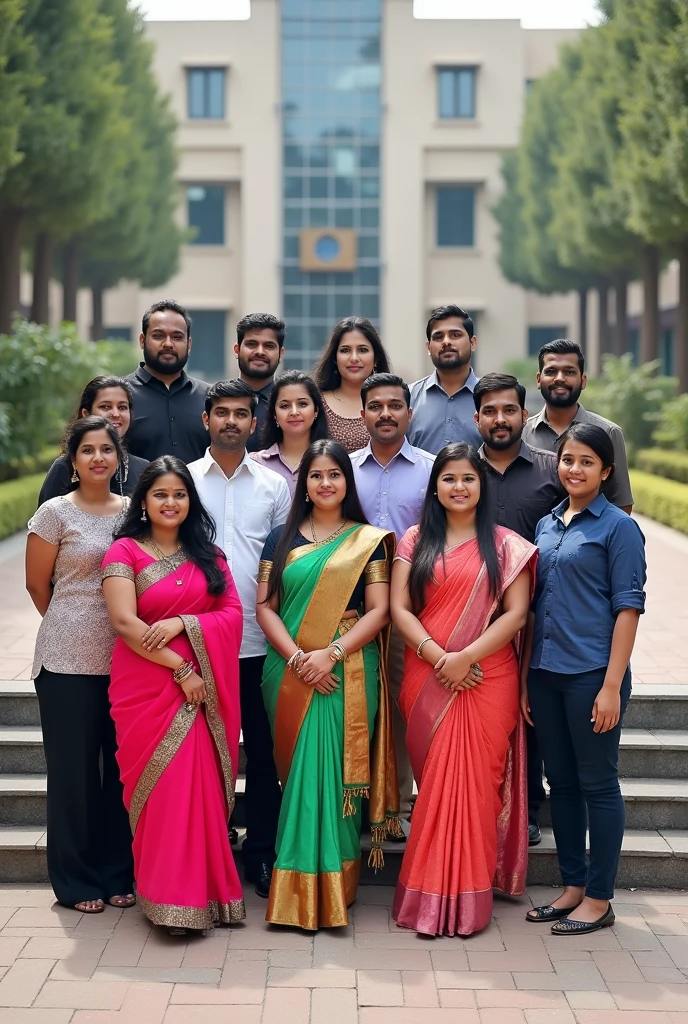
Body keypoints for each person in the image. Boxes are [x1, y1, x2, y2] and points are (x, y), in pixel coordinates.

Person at [390, 443, 537, 937]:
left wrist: (465, 657)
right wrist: (439, 656)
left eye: (468, 479)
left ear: (482, 486)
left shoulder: (506, 546)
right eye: (449, 478)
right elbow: (399, 610)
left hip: (487, 677)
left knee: (475, 788)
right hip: (426, 673)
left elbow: (517, 614)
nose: (458, 487)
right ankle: (427, 897)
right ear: (435, 486)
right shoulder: (414, 540)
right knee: (434, 785)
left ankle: (466, 900)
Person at [256, 440, 399, 930]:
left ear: (346, 482)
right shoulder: (281, 537)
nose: (325, 483)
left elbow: (380, 611)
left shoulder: (369, 540)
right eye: (315, 475)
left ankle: (335, 886)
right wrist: (298, 659)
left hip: (347, 673)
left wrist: (330, 654)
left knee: (336, 776)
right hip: (290, 672)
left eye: (334, 475)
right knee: (298, 776)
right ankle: (296, 886)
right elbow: (265, 608)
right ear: (305, 482)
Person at [102, 457, 245, 933]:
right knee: (162, 794)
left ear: (190, 501)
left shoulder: (209, 554)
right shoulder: (124, 551)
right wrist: (182, 668)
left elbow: (232, 613)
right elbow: (124, 623)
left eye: (179, 494)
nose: (170, 502)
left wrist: (184, 622)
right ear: (143, 501)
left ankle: (203, 897)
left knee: (195, 791)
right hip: (148, 687)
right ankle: (166, 900)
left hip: (199, 693)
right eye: (160, 494)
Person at [523, 424, 646, 936]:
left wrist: (612, 684)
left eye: (587, 462)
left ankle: (599, 897)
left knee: (598, 784)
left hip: (592, 675)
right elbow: (531, 605)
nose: (575, 469)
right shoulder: (547, 524)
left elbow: (628, 608)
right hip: (546, 675)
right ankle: (572, 887)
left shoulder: (618, 528)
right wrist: (529, 676)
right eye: (568, 460)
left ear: (607, 471)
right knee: (563, 785)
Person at [25, 416, 134, 914]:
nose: (97, 458)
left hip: (129, 659)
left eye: (105, 450)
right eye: (87, 450)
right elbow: (36, 586)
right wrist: (72, 622)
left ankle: (117, 873)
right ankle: (74, 880)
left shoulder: (133, 512)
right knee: (72, 776)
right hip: (66, 660)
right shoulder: (54, 513)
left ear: (118, 458)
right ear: (73, 459)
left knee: (119, 773)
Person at [188, 380, 291, 898]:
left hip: (257, 644)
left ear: (255, 423)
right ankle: (205, 856)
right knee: (201, 756)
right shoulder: (183, 482)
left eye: (242, 414)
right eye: (222, 413)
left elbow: (282, 564)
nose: (231, 421)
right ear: (205, 419)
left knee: (265, 755)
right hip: (194, 645)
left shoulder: (274, 487)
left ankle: (262, 856)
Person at [473, 371, 565, 847]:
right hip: (473, 620)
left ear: (524, 415)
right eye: (490, 410)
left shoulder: (553, 469)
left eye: (509, 409)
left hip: (542, 617)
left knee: (530, 715)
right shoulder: (462, 470)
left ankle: (528, 811)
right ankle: (477, 806)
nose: (500, 419)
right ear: (477, 418)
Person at [350, 373, 435, 828]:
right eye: (376, 405)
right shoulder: (342, 469)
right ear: (362, 412)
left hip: (411, 607)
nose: (386, 413)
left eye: (395, 405)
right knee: (353, 704)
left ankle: (397, 804)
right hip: (348, 608)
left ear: (409, 411)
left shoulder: (430, 468)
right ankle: (353, 800)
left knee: (402, 703)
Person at [523, 339, 633, 512]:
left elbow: (621, 504)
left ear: (582, 380)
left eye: (569, 372)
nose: (559, 378)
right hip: (530, 538)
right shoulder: (521, 434)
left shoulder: (608, 433)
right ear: (539, 379)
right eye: (551, 371)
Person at [38, 376, 149, 505]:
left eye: (122, 407)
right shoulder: (65, 467)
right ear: (86, 414)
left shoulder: (143, 468)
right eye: (106, 407)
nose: (116, 413)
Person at [125, 300, 209, 464]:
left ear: (189, 344)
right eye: (158, 336)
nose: (168, 344)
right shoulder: (119, 396)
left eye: (177, 337)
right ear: (142, 340)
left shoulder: (209, 398)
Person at [407, 305, 482, 454]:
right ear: (428, 347)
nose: (446, 342)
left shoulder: (489, 396)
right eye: (438, 337)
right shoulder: (408, 397)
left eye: (455, 335)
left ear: (473, 343)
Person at [313, 316, 391, 453]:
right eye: (345, 350)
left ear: (376, 357)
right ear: (334, 358)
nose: (354, 358)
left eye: (362, 350)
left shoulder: (392, 404)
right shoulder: (316, 402)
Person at [250, 370, 329, 494]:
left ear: (316, 411)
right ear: (274, 415)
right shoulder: (255, 464)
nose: (294, 412)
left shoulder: (333, 461)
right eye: (285, 406)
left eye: (302, 404)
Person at [234, 312, 286, 453]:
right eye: (251, 344)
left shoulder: (290, 406)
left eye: (269, 346)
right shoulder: (217, 401)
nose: (260, 352)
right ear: (237, 350)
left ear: (281, 354)